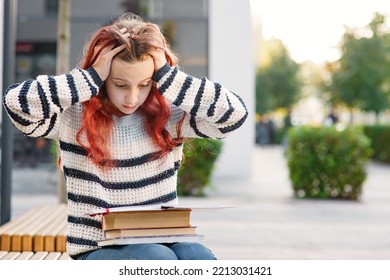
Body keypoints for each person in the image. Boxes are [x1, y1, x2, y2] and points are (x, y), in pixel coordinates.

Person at [3, 13, 248, 260]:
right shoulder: (72, 115)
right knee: (157, 259)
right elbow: (16, 104)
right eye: (121, 85)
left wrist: (170, 77)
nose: (132, 98)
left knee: (198, 256)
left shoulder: (168, 115)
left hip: (163, 239)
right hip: (97, 249)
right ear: (104, 77)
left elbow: (235, 114)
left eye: (143, 84)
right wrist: (89, 77)